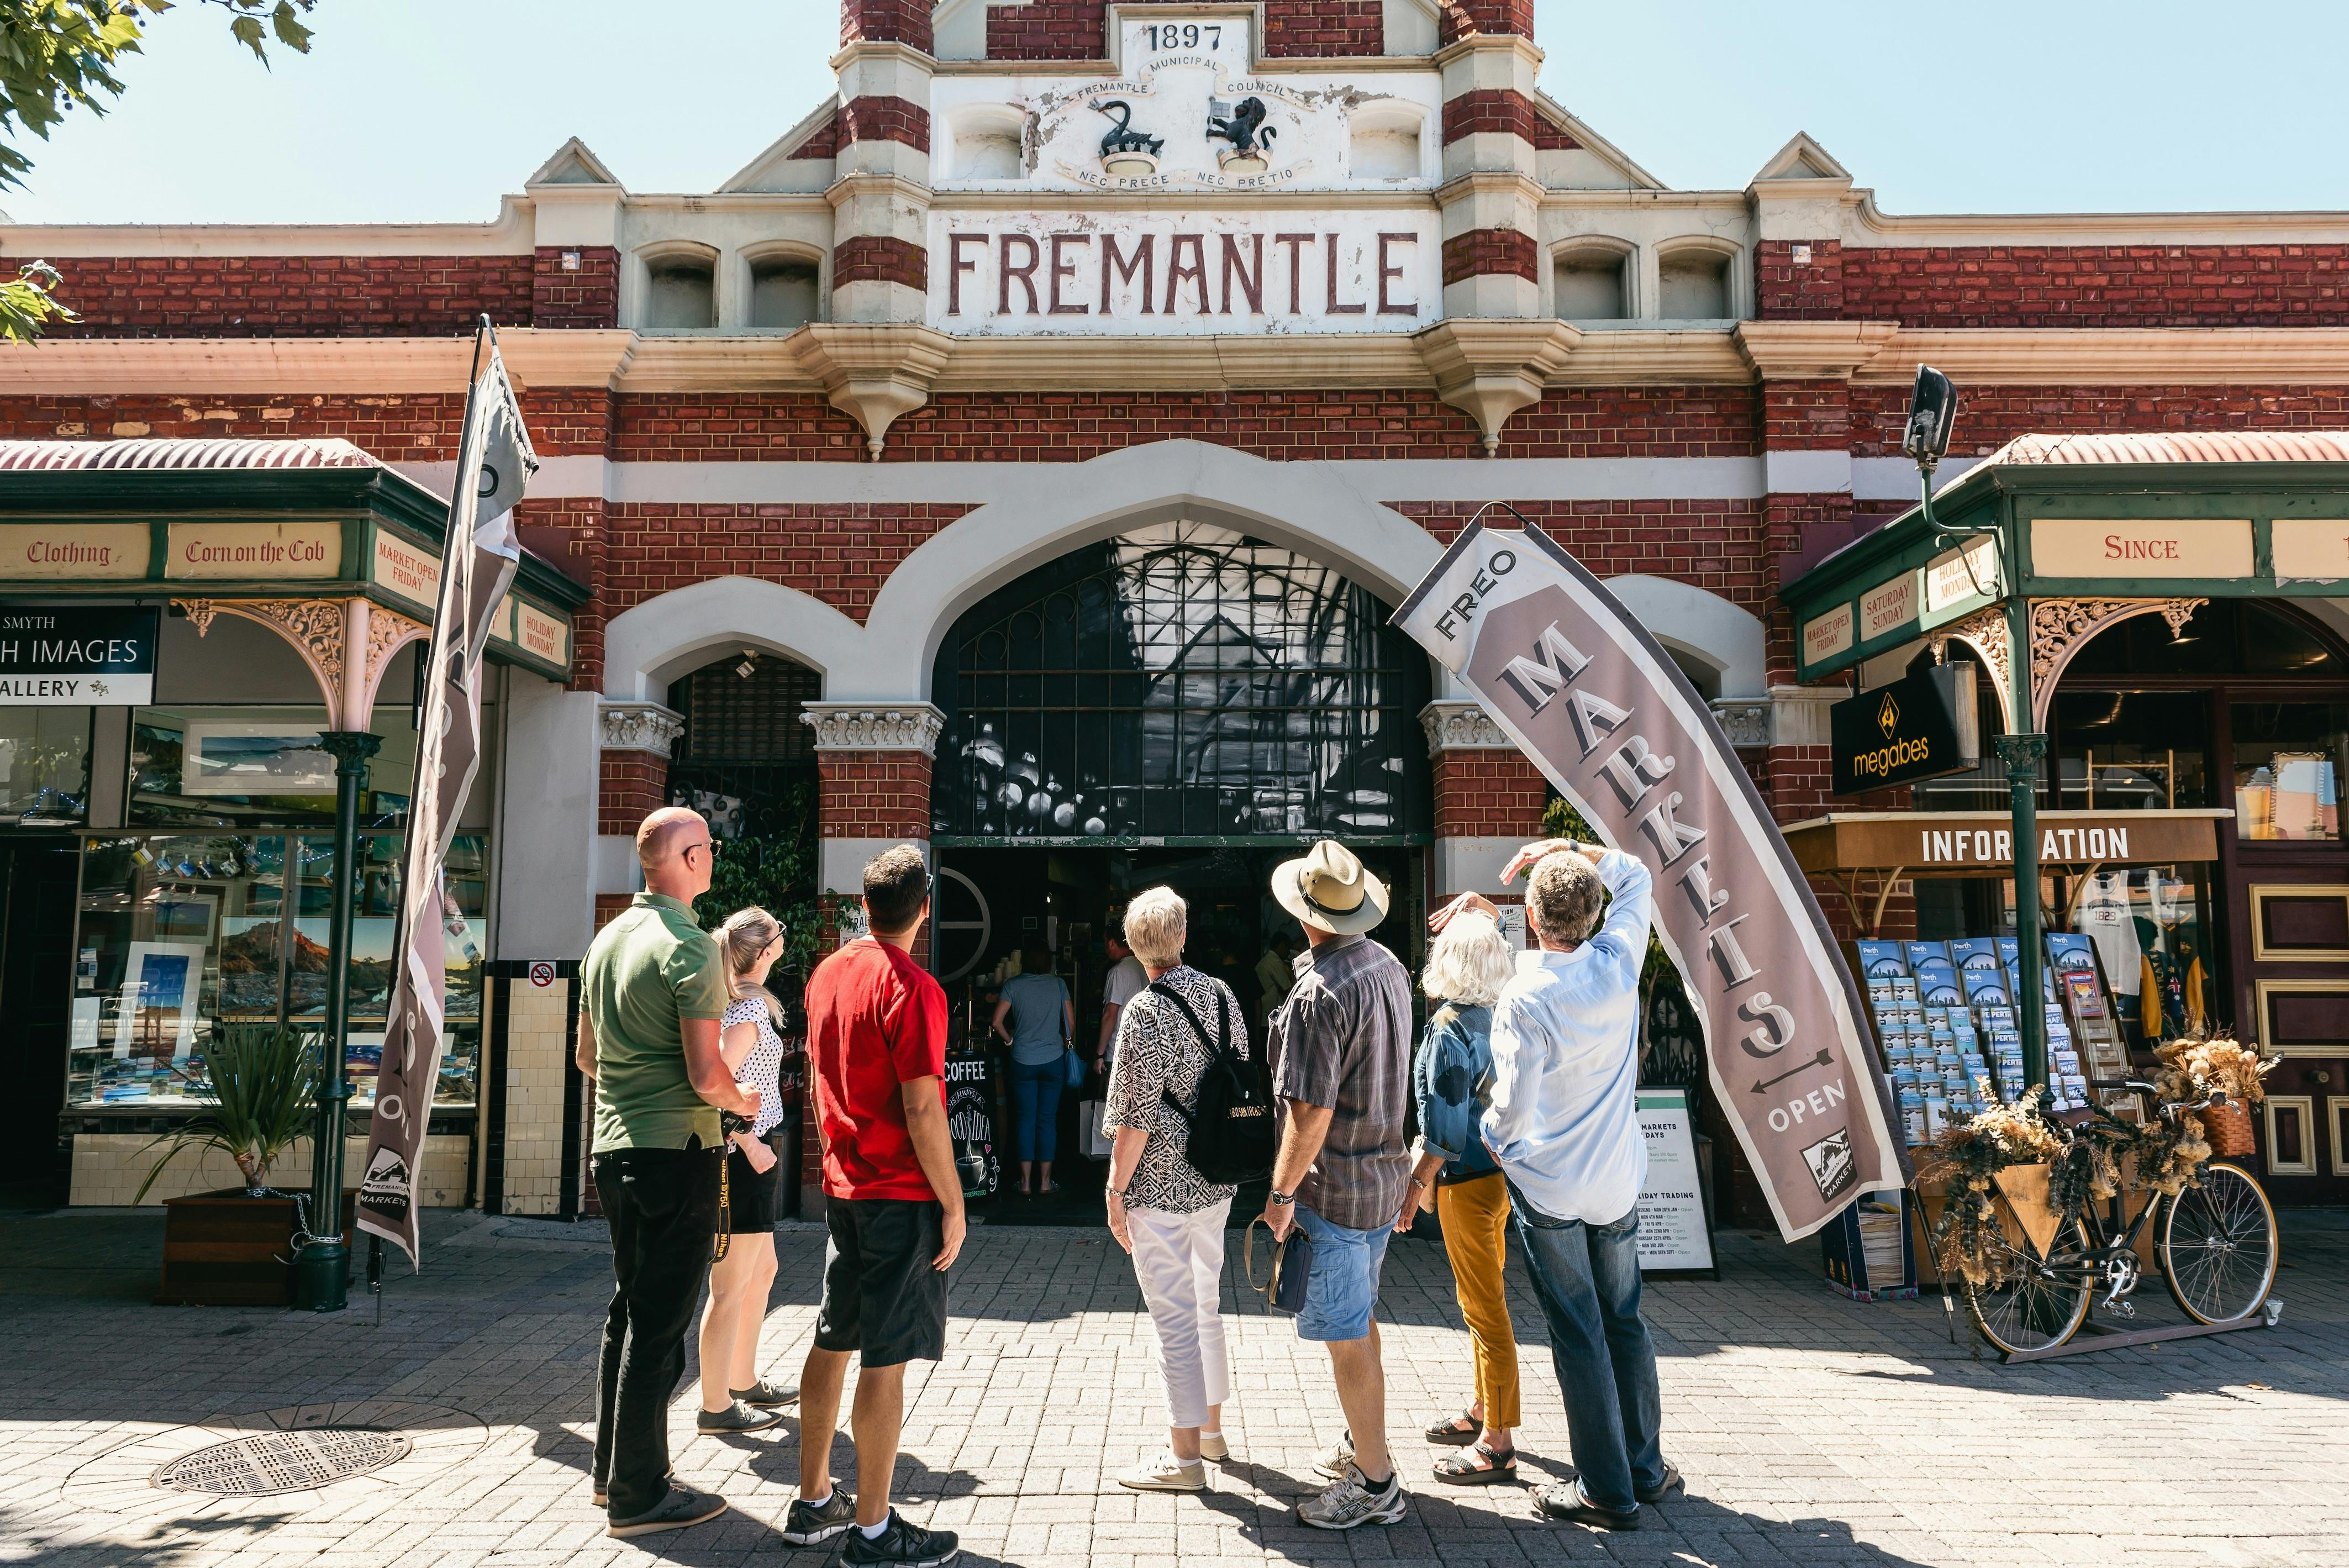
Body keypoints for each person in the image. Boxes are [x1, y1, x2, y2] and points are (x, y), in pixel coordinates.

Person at [1434, 838, 1681, 1532]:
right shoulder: (1618, 960)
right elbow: (1635, 872)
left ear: (1533, 919)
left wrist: (1496, 1141)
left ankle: (1604, 1491)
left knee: (1577, 1333)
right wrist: (1570, 847)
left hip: (1550, 1187)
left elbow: (1511, 1105)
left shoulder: (1525, 994)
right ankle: (1644, 1467)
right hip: (1616, 1180)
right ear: (1595, 913)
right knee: (1624, 1319)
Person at [576, 806, 760, 1539]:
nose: (713, 857)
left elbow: (588, 1057)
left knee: (630, 1308)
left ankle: (612, 1472)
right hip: (674, 1151)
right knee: (660, 1324)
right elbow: (704, 1070)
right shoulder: (688, 946)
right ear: (685, 859)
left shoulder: (607, 940)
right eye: (707, 847)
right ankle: (640, 1493)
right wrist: (740, 1096)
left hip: (613, 1146)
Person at [789, 844, 966, 1568]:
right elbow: (923, 1105)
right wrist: (954, 1204)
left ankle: (812, 1499)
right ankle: (871, 1531)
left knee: (834, 1336)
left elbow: (817, 1070)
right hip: (897, 1191)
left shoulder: (828, 973)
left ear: (865, 906)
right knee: (885, 1360)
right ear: (924, 909)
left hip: (842, 1183)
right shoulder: (916, 986)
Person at [1260, 840, 1414, 1530]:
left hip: (1336, 1188)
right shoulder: (1386, 964)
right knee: (1361, 1320)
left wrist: (1281, 1195)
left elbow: (1309, 1110)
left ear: (1304, 914)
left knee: (1345, 1336)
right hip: (1381, 1178)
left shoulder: (1320, 992)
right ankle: (1364, 1445)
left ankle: (1376, 1482)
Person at [1099, 886, 1245, 1494]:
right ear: (1183, 936)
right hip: (1216, 1176)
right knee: (1205, 1305)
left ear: (1136, 949)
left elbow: (1134, 1119)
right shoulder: (1222, 995)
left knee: (1173, 1320)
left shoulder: (1143, 1011)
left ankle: (1183, 1460)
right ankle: (1210, 1432)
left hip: (1159, 1187)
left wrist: (1113, 1191)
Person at [1395, 908, 1523, 1485]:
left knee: (1483, 1307)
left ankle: (1497, 1440)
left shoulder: (1449, 1025)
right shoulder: (1501, 1016)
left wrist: (1413, 1186)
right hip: (1499, 1175)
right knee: (1484, 1297)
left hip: (1464, 1180)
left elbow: (1443, 1128)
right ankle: (1482, 1409)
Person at [694, 906, 799, 1434]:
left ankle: (742, 1380)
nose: (784, 938)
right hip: (743, 1157)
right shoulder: (748, 1014)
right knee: (731, 1286)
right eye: (777, 933)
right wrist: (748, 1140)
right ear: (762, 952)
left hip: (754, 1154)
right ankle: (715, 1405)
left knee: (761, 1272)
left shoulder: (747, 1005)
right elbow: (710, 1086)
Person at [992, 945, 1074, 1195]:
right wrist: (1066, 1043)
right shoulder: (1058, 984)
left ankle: (1026, 1184)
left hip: (1022, 1060)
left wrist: (1010, 1041)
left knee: (1025, 1120)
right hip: (1053, 1060)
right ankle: (1046, 1183)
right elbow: (1070, 1024)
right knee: (1047, 1120)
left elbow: (997, 1022)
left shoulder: (1013, 985)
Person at [1097, 919, 1147, 1072]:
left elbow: (1110, 1016)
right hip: (1142, 1047)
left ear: (1112, 943)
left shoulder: (1118, 971)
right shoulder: (1144, 966)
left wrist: (1099, 1055)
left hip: (1118, 1049)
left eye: (1105, 942)